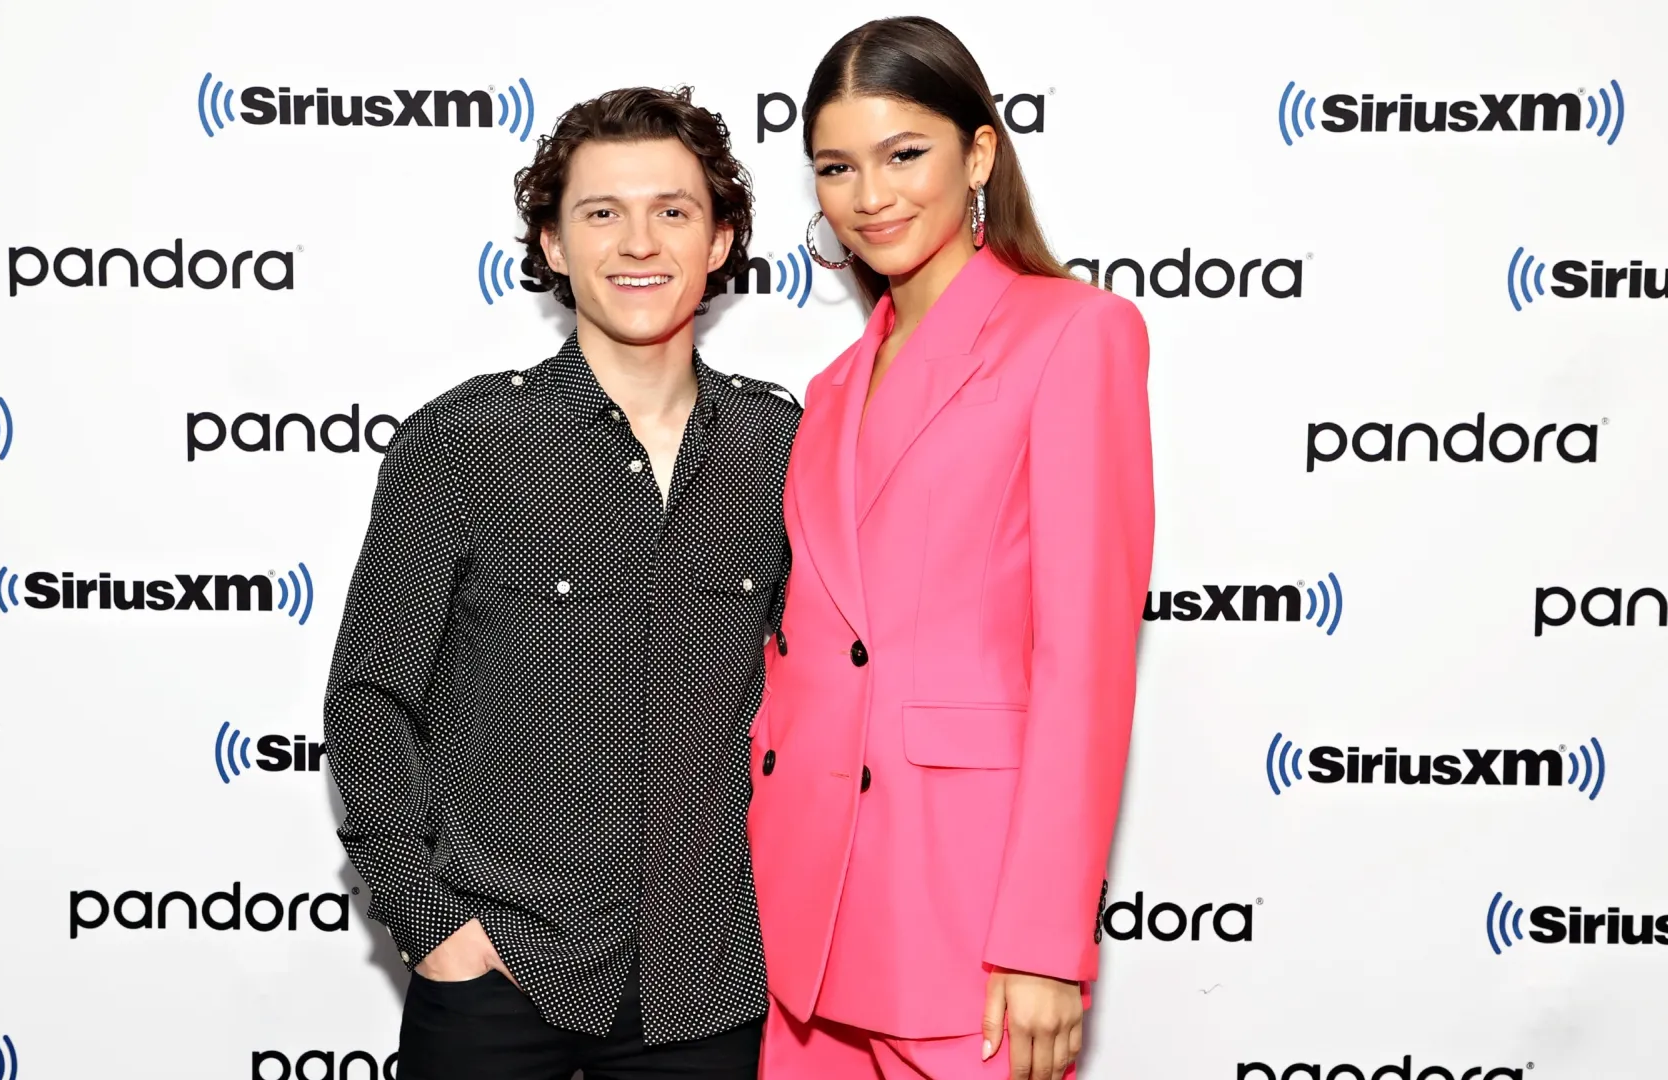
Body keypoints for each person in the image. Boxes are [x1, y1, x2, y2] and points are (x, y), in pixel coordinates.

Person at [322, 86, 799, 1080]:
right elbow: (370, 700)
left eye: (673, 211)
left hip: (707, 986)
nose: (639, 243)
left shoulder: (781, 445)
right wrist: (432, 926)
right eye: (600, 213)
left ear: (720, 242)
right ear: (549, 244)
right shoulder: (464, 441)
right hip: (500, 974)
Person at [746, 17, 1155, 1080]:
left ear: (978, 154)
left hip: (966, 920)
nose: (869, 194)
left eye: (904, 154)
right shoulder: (834, 390)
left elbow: (1085, 663)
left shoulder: (1075, 332)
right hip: (804, 924)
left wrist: (1041, 943)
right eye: (836, 167)